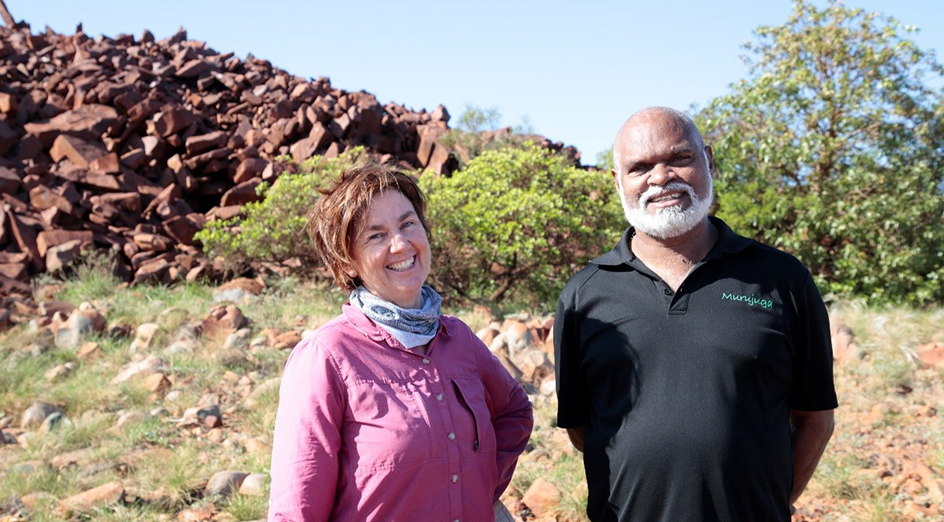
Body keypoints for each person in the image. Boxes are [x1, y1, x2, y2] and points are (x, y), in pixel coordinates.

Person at [554, 107, 837, 522]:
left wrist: (773, 502)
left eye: (679, 159)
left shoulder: (782, 279)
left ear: (708, 160)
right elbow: (583, 429)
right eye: (640, 168)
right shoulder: (584, 295)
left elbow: (816, 418)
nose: (660, 177)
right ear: (619, 182)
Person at [268, 164, 533, 522]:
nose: (401, 244)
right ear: (346, 261)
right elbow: (297, 510)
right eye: (376, 235)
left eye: (408, 224)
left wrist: (479, 484)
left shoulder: (458, 339)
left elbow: (515, 412)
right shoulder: (326, 356)